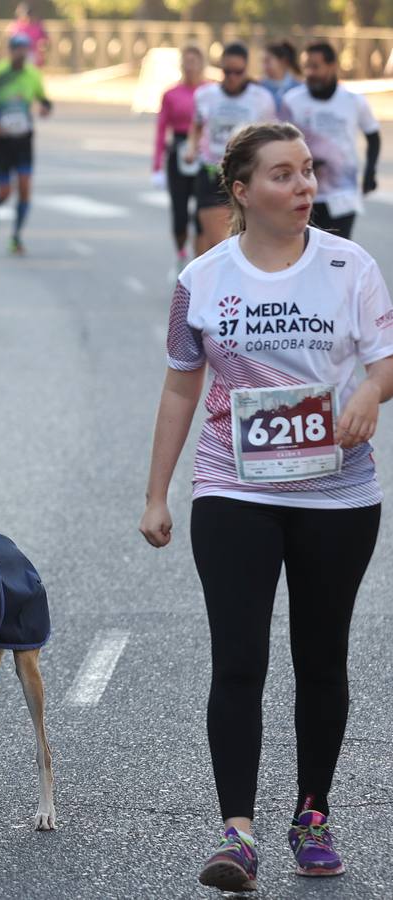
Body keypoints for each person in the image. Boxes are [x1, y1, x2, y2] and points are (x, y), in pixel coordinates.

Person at [141, 122, 393, 893]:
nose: (304, 185)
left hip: (338, 492)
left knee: (321, 659)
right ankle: (237, 834)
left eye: (308, 171)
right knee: (240, 659)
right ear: (242, 192)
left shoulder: (351, 265)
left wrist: (366, 396)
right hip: (234, 488)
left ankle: (312, 816)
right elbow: (183, 385)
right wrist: (157, 492)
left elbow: (384, 366)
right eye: (282, 175)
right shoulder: (204, 277)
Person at [281, 41, 380, 241]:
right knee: (303, 249)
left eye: (315, 66)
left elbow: (373, 136)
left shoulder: (354, 101)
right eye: (306, 66)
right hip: (303, 190)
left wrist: (370, 173)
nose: (309, 72)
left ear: (332, 66)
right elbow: (280, 143)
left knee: (338, 250)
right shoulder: (292, 101)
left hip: (342, 193)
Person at [184, 43, 277, 257]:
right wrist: (191, 149)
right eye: (227, 71)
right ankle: (201, 283)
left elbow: (270, 138)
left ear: (246, 70)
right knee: (218, 241)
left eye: (238, 72)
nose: (232, 77)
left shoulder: (261, 98)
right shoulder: (206, 95)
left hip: (246, 173)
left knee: (239, 237)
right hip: (211, 171)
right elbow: (196, 126)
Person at [0, 33, 51, 256]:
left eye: (26, 50)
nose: (22, 54)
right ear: (10, 51)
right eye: (18, 50)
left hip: (23, 139)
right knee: (5, 191)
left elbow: (44, 99)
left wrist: (46, 108)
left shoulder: (33, 75)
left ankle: (16, 236)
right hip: (1, 141)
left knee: (25, 189)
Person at [153, 45, 208, 273]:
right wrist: (156, 166)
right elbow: (161, 129)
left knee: (204, 211)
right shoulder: (171, 94)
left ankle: (200, 263)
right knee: (179, 214)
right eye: (186, 61)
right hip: (178, 152)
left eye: (194, 61)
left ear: (202, 64)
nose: (190, 65)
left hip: (204, 154)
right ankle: (180, 254)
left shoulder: (210, 92)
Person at [261, 40, 302, 112]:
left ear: (283, 61)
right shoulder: (259, 87)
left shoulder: (299, 88)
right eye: (263, 62)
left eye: (267, 61)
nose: (263, 66)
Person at [7, 2, 47, 67]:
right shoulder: (16, 26)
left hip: (31, 53)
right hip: (18, 54)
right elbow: (12, 39)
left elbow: (43, 41)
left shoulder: (36, 26)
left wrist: (41, 50)